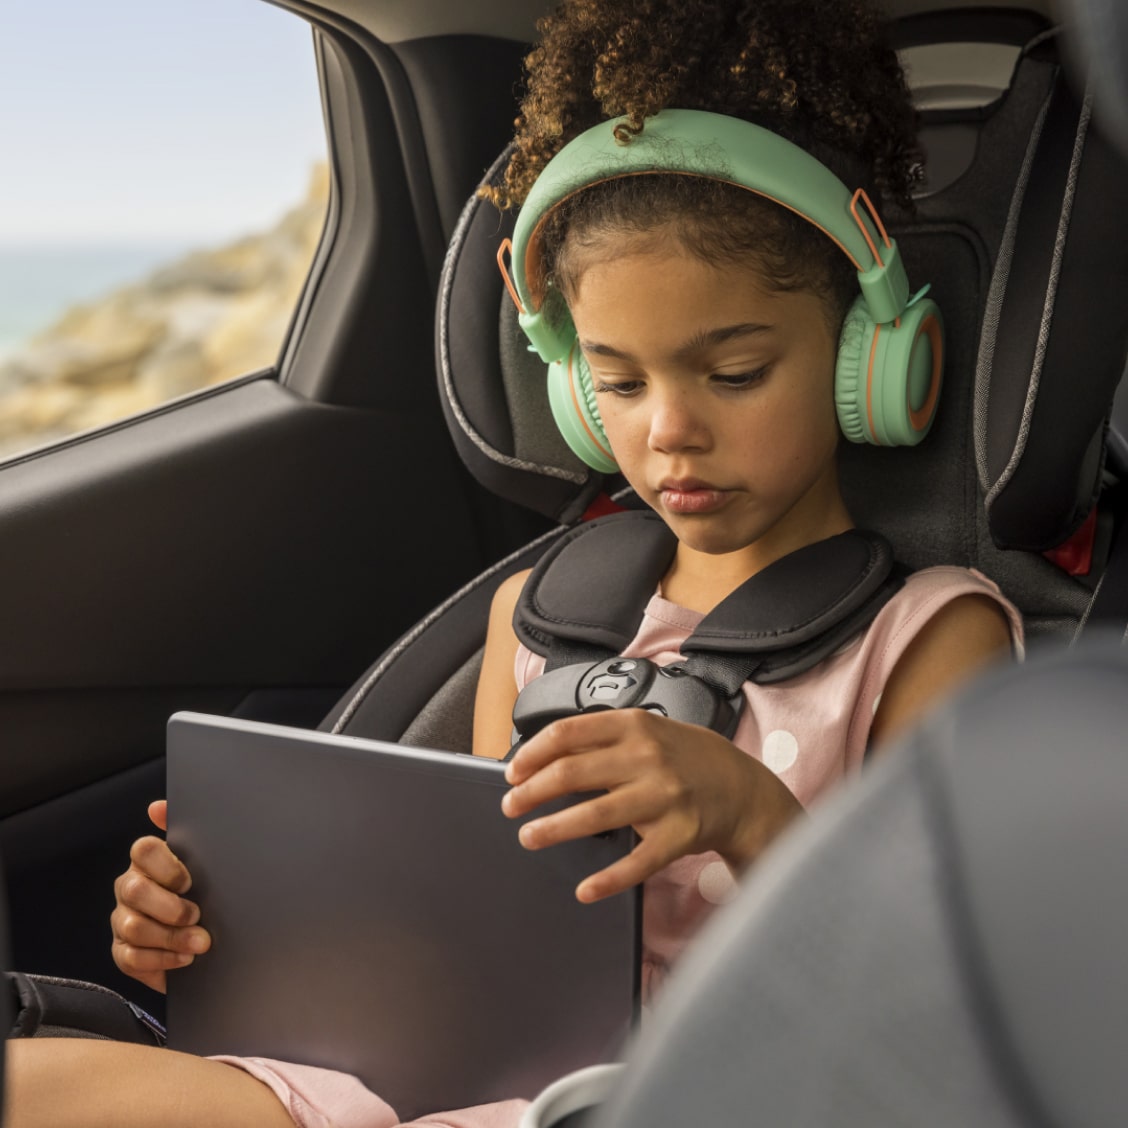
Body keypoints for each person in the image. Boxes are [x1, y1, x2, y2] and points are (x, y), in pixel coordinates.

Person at [5, 0, 1022, 1125]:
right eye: (620, 383)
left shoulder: (932, 638)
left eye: (732, 372)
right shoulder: (536, 619)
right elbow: (471, 941)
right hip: (441, 1084)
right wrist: (219, 938)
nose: (669, 430)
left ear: (867, 358)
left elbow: (954, 1010)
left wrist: (746, 808)